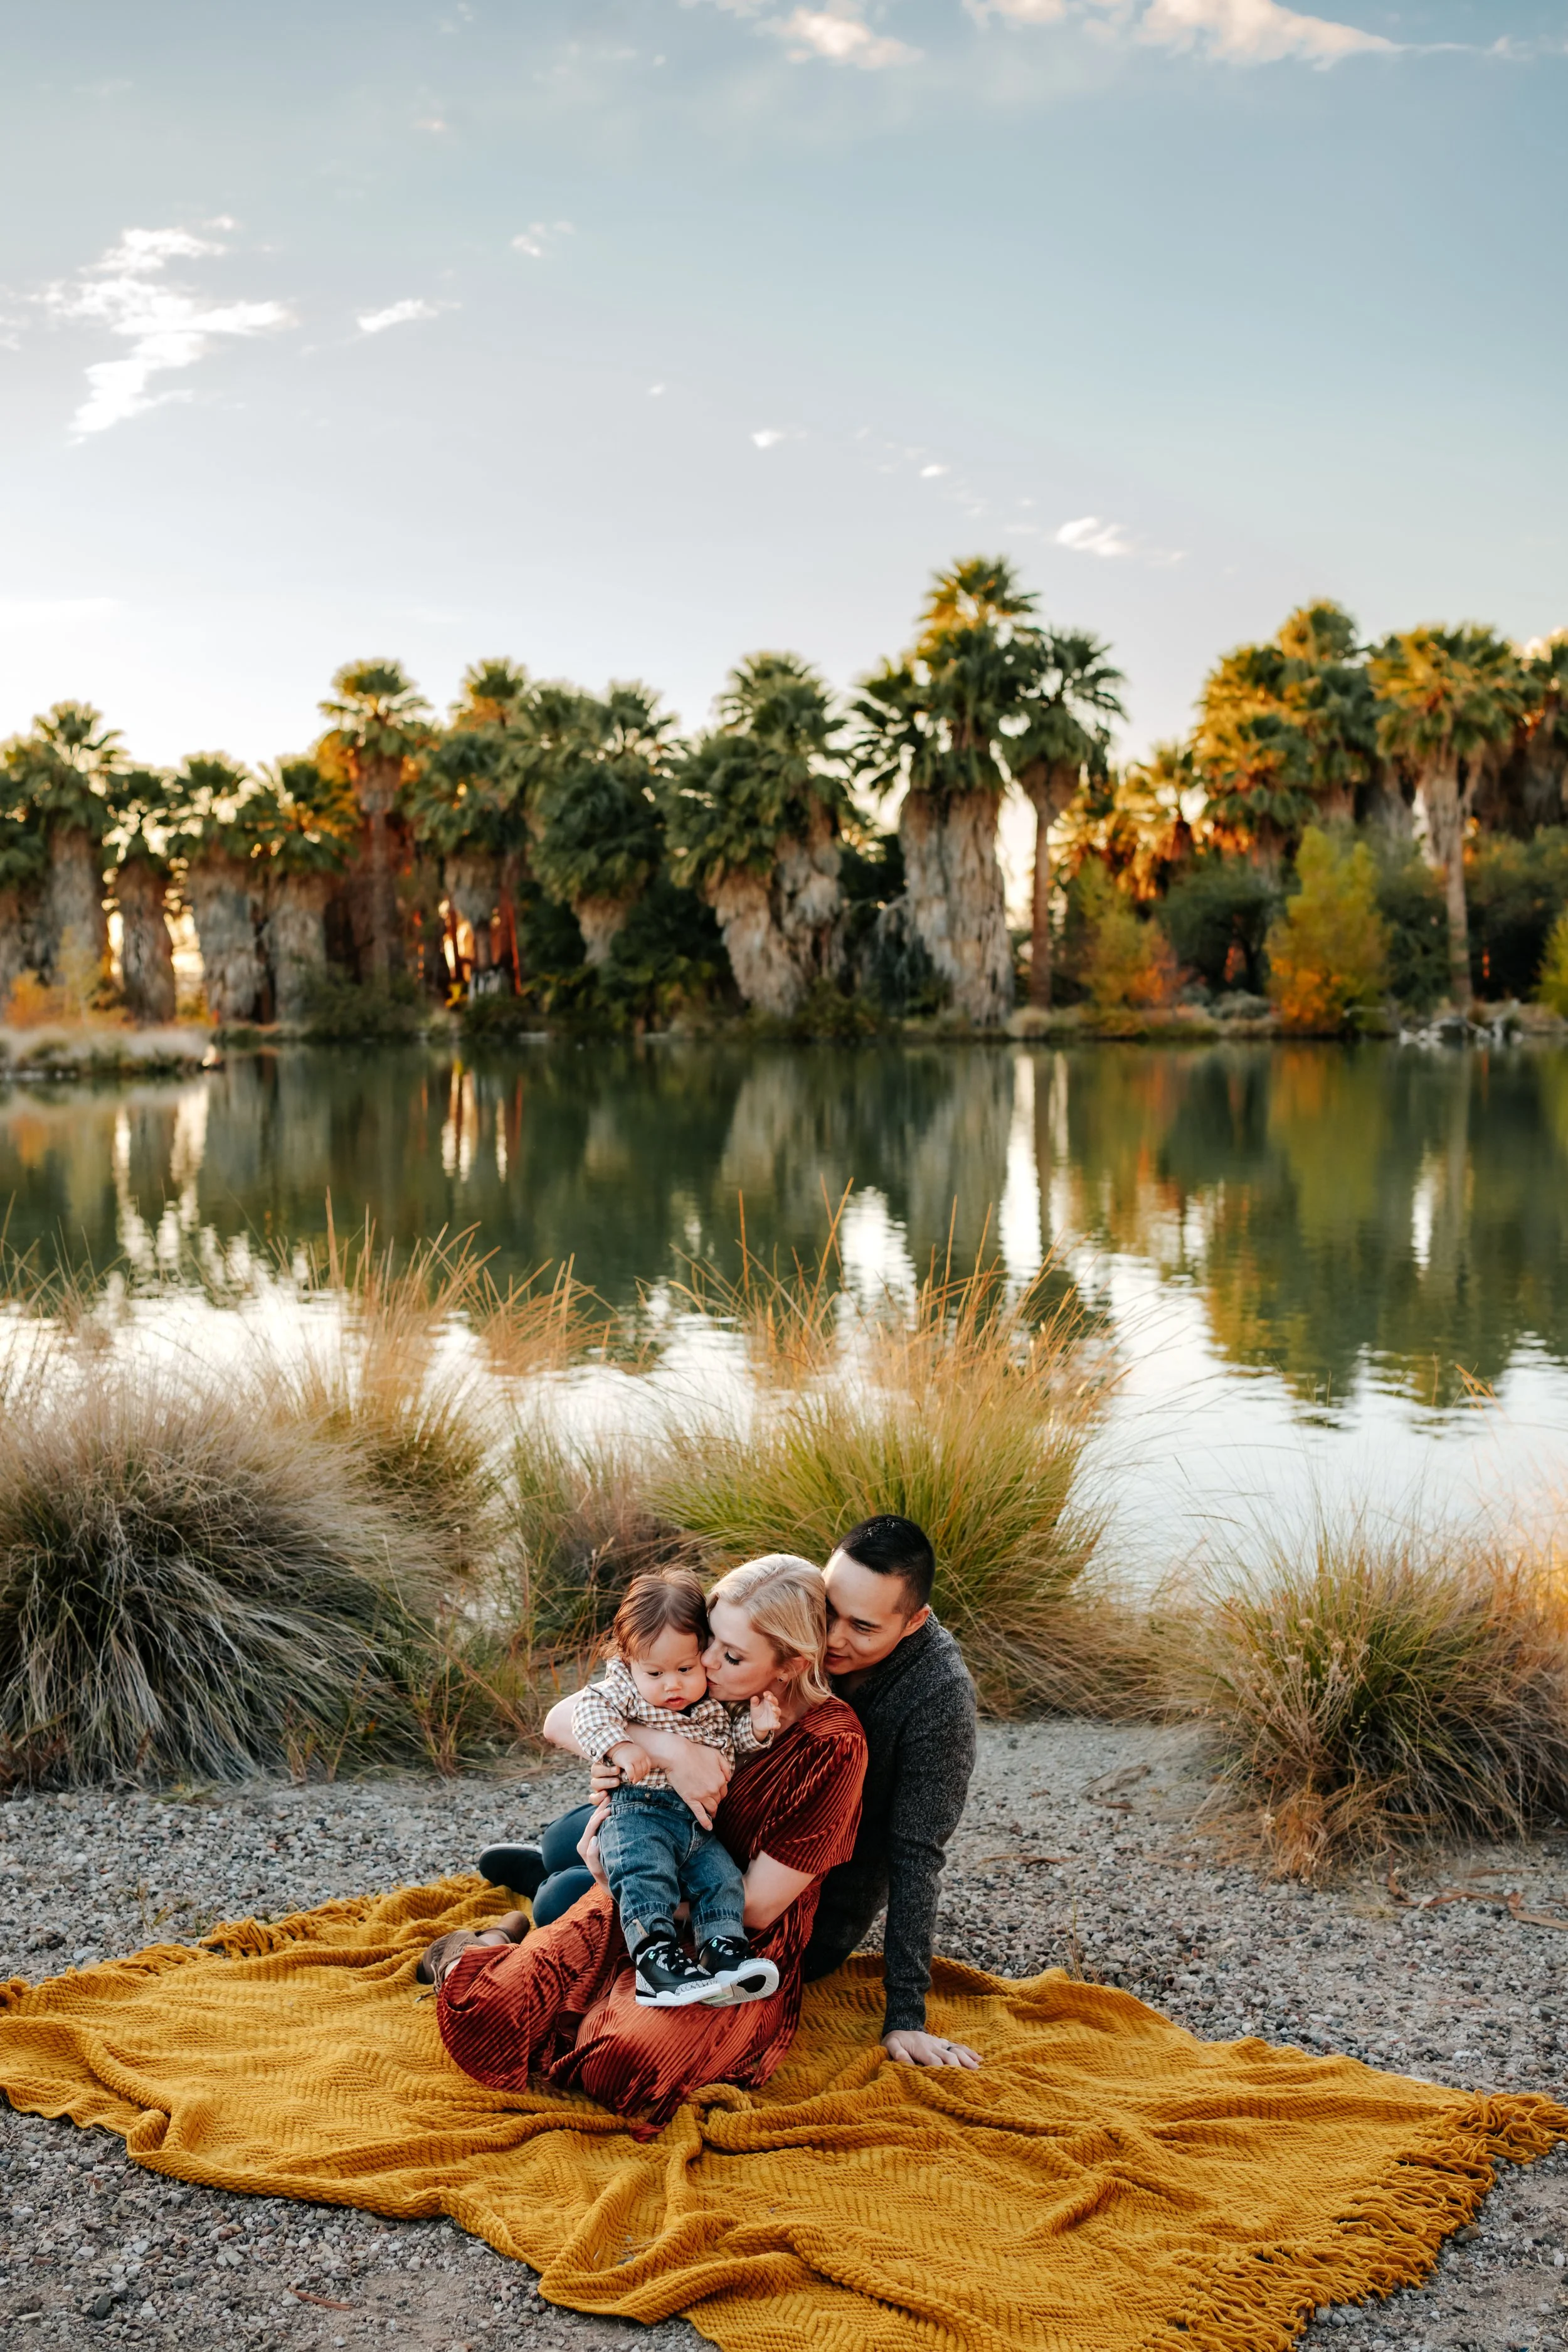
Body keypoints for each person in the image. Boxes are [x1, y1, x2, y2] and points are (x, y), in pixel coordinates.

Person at [490, 1513, 980, 2072]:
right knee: (567, 1838)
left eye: (862, 1627)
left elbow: (917, 1856)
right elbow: (570, 1715)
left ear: (913, 1622)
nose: (832, 1637)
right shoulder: (753, 1628)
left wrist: (906, 2015)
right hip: (701, 1825)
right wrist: (664, 1753)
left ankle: (566, 1882)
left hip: (794, 1881)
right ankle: (559, 1867)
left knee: (567, 1896)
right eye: (827, 1611)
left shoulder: (933, 1698)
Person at [426, 1556, 867, 2128]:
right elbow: (565, 1716)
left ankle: (602, 1994)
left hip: (733, 1934)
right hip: (638, 1888)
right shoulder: (697, 1683)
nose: (705, 1662)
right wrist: (666, 1751)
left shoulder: (833, 1746)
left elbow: (758, 1905)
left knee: (627, 2064)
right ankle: (479, 1946)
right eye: (710, 1641)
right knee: (484, 2014)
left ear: (789, 1665)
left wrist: (624, 1883)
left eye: (729, 1656)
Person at [568, 1566, 781, 2007]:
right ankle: (655, 1961)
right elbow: (585, 1711)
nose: (673, 1685)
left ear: (702, 1650)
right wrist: (621, 1747)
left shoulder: (710, 1704)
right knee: (647, 1879)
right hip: (637, 1816)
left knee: (722, 1880)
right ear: (629, 1664)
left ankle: (723, 1953)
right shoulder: (623, 1689)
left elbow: (727, 1752)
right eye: (657, 1673)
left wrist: (756, 1733)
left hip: (695, 1828)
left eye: (686, 1668)